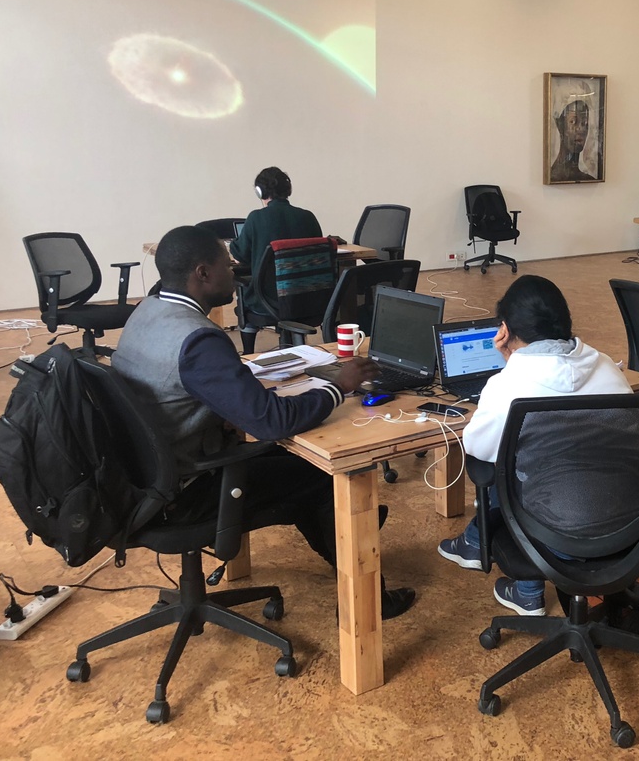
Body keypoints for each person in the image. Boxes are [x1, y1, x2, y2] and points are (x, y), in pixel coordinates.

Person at [113, 225, 416, 619]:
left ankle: (352, 534)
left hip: (143, 476)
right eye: (227, 265)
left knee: (295, 468)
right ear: (203, 273)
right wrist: (338, 386)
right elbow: (271, 422)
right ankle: (368, 597)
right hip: (182, 492)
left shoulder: (149, 310)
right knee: (320, 474)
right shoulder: (198, 340)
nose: (235, 272)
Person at [437, 275, 633, 616]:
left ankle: (521, 585)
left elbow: (479, 448)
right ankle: (488, 556)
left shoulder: (509, 385)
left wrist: (509, 367)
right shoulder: (607, 367)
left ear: (505, 330)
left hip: (558, 535)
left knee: (505, 466)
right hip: (634, 528)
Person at [229, 166, 323, 354]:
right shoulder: (308, 217)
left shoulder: (256, 218)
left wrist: (232, 244)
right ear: (288, 190)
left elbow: (240, 255)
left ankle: (248, 353)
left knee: (245, 292)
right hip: (308, 302)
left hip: (268, 303)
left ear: (260, 192)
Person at [548, 96, 600, 182]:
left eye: (584, 123)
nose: (581, 129)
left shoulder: (587, 179)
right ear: (560, 125)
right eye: (573, 122)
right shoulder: (553, 176)